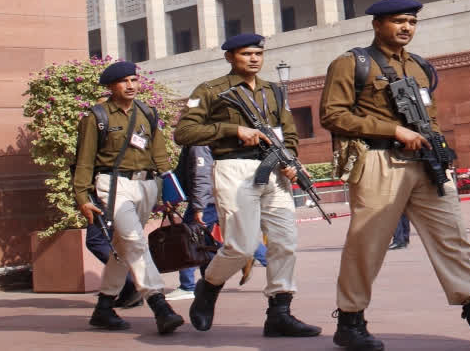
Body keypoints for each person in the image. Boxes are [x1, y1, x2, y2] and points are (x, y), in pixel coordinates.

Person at [319, 0, 470, 351]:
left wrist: (438, 147)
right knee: (367, 245)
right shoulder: (352, 64)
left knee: (453, 238)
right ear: (377, 25)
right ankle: (350, 321)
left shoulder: (421, 67)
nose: (406, 27)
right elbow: (332, 115)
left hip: (427, 164)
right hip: (380, 161)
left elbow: (430, 117)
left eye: (412, 21)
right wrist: (393, 130)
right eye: (398, 21)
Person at [174, 33, 320, 338]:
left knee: (285, 242)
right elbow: (184, 132)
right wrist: (232, 130)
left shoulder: (273, 91)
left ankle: (279, 312)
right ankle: (209, 286)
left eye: (258, 53)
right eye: (245, 54)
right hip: (234, 167)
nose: (254, 59)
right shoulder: (211, 90)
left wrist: (291, 160)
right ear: (230, 57)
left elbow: (288, 133)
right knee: (241, 246)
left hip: (274, 170)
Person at [71, 60, 183, 334]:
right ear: (111, 86)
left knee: (123, 248)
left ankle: (104, 308)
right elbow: (84, 160)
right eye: (124, 81)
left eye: (134, 80)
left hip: (146, 185)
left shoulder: (146, 111)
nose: (131, 86)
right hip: (113, 185)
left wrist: (168, 187)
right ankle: (159, 305)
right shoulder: (96, 117)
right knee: (135, 241)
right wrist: (83, 197)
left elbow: (158, 153)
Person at [169, 144, 219, 301]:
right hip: (209, 199)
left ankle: (188, 285)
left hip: (205, 201)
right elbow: (183, 172)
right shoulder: (196, 143)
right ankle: (208, 281)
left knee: (188, 241)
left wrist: (198, 207)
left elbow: (201, 175)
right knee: (205, 242)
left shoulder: (199, 145)